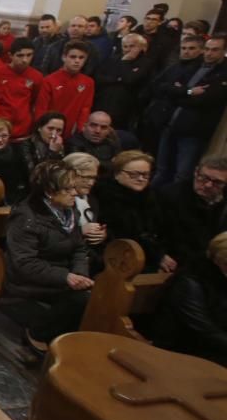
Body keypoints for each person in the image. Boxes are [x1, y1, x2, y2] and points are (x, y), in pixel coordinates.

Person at [4, 160, 92, 351]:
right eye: (68, 189)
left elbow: (79, 248)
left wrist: (80, 273)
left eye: (74, 188)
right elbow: (25, 263)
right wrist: (66, 277)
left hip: (60, 276)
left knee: (95, 295)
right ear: (49, 191)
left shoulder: (70, 210)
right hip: (28, 283)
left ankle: (67, 342)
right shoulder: (27, 217)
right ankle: (37, 334)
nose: (75, 193)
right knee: (80, 299)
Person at [153, 33, 227, 187]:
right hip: (171, 123)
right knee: (161, 169)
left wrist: (180, 92)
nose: (209, 53)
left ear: (223, 52)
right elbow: (165, 88)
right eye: (207, 49)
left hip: (193, 131)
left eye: (214, 50)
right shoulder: (193, 66)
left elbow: (206, 99)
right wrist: (189, 92)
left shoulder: (222, 73)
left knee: (182, 174)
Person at [153, 232, 227, 367]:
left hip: (212, 348)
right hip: (183, 352)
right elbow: (205, 331)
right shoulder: (190, 283)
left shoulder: (220, 278)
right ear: (220, 261)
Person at [94, 150, 171, 273]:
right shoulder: (103, 196)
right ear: (117, 173)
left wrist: (160, 254)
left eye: (145, 175)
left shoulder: (152, 197)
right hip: (116, 256)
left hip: (147, 255)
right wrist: (156, 256)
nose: (141, 179)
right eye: (134, 174)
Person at [156, 155, 227, 270]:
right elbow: (158, 231)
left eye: (217, 182)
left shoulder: (223, 203)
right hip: (177, 260)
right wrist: (159, 255)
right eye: (204, 178)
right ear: (196, 172)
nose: (208, 185)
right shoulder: (171, 195)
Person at [34, 40, 95, 138]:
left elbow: (85, 109)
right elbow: (41, 109)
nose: (77, 61)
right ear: (64, 57)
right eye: (73, 57)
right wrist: (41, 133)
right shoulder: (49, 81)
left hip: (72, 135)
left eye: (81, 57)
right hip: (50, 133)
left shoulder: (88, 82)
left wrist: (80, 132)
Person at [92, 33, 150, 130]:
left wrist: (125, 62)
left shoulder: (146, 63)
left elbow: (130, 79)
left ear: (142, 47)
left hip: (126, 108)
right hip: (103, 103)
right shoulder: (113, 59)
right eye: (125, 46)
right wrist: (116, 79)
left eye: (132, 46)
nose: (127, 49)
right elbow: (98, 77)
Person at [0, 37, 42, 139]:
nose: (25, 60)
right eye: (20, 55)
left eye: (29, 55)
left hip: (23, 131)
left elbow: (34, 101)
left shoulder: (37, 76)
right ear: (10, 56)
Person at [64, 152, 106, 273]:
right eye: (86, 177)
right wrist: (80, 231)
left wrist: (102, 235)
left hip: (92, 261)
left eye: (93, 178)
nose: (91, 183)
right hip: (65, 265)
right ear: (69, 174)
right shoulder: (58, 202)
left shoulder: (93, 200)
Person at [65, 111, 122, 175]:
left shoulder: (112, 143)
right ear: (84, 127)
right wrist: (110, 164)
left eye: (103, 127)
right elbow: (84, 166)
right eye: (93, 125)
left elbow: (119, 165)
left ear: (108, 130)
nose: (98, 131)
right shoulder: (73, 142)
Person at [19, 111, 67, 177]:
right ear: (39, 128)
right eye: (50, 128)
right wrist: (52, 152)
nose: (54, 134)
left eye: (59, 130)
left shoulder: (60, 145)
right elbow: (35, 175)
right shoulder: (27, 145)